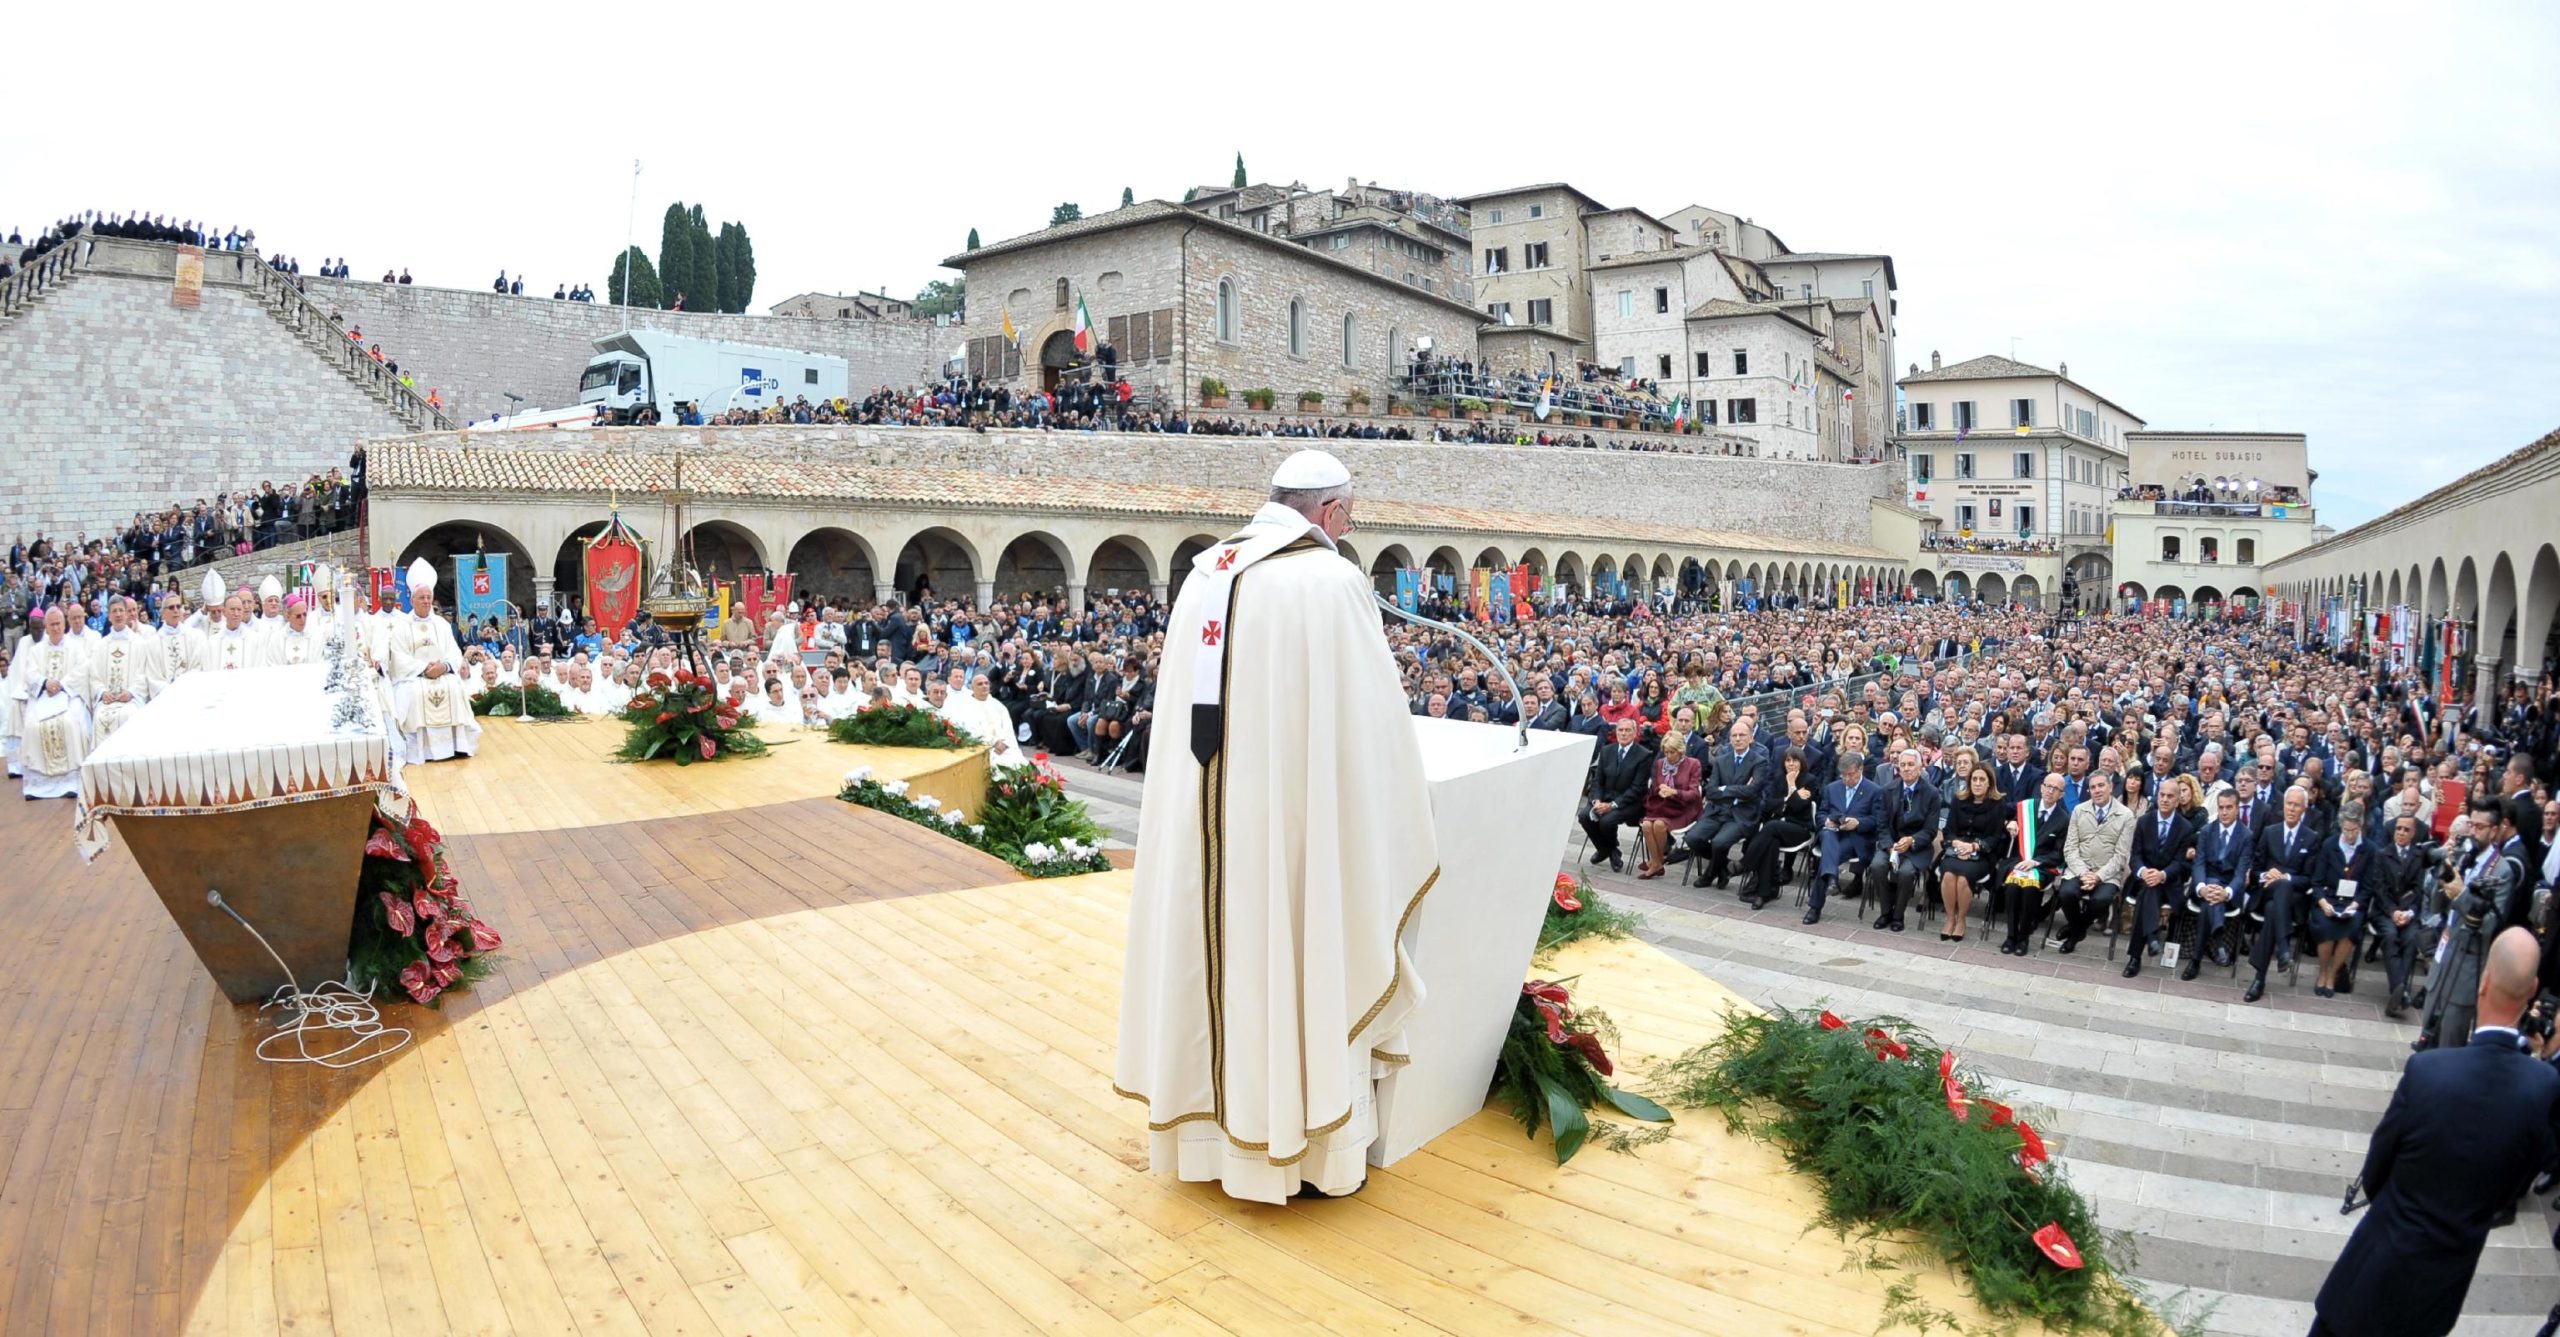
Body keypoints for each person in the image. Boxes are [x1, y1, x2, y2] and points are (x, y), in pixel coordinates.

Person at [1115, 448, 1443, 1204]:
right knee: (1298, 946)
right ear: (1330, 512)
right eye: (1350, 515)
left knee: (1216, 950)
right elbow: (1374, 729)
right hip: (1291, 826)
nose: (1349, 529)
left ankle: (1206, 1142)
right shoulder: (1330, 582)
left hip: (1209, 821)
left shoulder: (1205, 573)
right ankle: (1306, 1153)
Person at [2309, 927, 2559, 1337]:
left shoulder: (2428, 1070)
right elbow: (2512, 1190)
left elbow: (2377, 1170)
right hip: (2441, 1287)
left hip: (2376, 1267)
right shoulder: (2543, 1086)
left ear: (2483, 982)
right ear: (2532, 989)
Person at [383, 559, 480, 765]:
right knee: (415, 694)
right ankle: (422, 751)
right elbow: (399, 658)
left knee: (455, 688)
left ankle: (457, 746)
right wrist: (425, 669)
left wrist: (444, 667)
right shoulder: (401, 626)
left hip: (443, 673)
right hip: (414, 677)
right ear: (412, 599)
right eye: (422, 598)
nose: (426, 601)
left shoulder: (442, 624)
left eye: (429, 597)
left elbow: (453, 652)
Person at [2245, 786, 2322, 1004]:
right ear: (2283, 805)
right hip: (2266, 892)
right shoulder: (2270, 832)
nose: (2291, 808)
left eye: (2297, 805)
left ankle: (2259, 978)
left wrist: (2286, 878)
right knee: (2275, 896)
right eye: (2289, 803)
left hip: (2293, 901)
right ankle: (2283, 948)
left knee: (2278, 900)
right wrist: (2266, 874)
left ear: (2304, 809)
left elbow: (2310, 878)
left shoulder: (2311, 838)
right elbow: (2256, 869)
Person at [9, 607, 92, 799]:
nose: (55, 628)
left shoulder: (75, 648)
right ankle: (38, 786)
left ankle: (71, 783)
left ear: (64, 624)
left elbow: (82, 671)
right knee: (32, 726)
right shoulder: (36, 650)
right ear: (46, 626)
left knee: (71, 723)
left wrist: (61, 684)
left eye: (58, 624)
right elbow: (29, 673)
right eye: (52, 624)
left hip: (68, 696)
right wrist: (45, 683)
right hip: (43, 696)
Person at [2122, 777, 2196, 978]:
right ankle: (2151, 936)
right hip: (2144, 879)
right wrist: (2144, 872)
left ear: (2178, 799)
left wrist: (2162, 874)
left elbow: (2180, 863)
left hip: (2169, 883)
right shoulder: (2145, 821)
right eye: (2162, 795)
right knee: (2148, 888)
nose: (2164, 799)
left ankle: (2135, 956)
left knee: (2150, 890)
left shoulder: (2185, 827)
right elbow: (2135, 855)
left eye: (2170, 796)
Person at [2052, 772, 2133, 954]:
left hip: (2108, 873)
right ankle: (2078, 929)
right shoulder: (2080, 810)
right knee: (2066, 893)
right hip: (2079, 869)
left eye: (2101, 786)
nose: (2097, 790)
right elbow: (2070, 848)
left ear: (2110, 787)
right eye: (2093, 787)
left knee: (2101, 899)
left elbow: (2121, 855)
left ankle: (2075, 931)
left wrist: (2098, 876)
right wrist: (2083, 872)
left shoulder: (2126, 815)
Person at [1681, 717, 1766, 888]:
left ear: (1751, 738)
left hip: (1741, 814)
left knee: (1720, 843)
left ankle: (1710, 873)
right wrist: (1736, 790)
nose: (1738, 739)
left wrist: (1724, 789)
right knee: (1692, 838)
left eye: (1742, 735)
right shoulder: (1721, 760)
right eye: (1734, 735)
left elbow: (1753, 790)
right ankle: (1724, 867)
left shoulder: (1759, 761)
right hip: (1717, 811)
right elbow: (1711, 791)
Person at [2186, 787, 2254, 980]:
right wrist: (2202, 888)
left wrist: (2227, 892)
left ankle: (2195, 961)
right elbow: (2199, 865)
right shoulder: (2207, 831)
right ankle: (2218, 938)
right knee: (2211, 891)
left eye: (2229, 807)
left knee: (2212, 900)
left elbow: (2241, 873)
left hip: (2229, 890)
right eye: (2221, 807)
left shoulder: (2246, 835)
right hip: (2206, 884)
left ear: (2237, 808)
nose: (2224, 812)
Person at [1737, 748, 1817, 909]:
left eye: (1795, 760)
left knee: (1771, 826)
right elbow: (1767, 806)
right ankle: (1764, 893)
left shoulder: (1810, 780)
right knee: (1771, 841)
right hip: (1776, 828)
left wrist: (1792, 785)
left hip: (1799, 829)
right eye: (1788, 760)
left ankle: (1743, 864)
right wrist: (1787, 798)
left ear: (1802, 762)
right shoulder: (1778, 779)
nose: (1791, 764)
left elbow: (1799, 807)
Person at [1873, 747, 1941, 933]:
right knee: (1877, 866)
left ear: (1920, 768)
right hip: (1892, 843)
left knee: (1905, 873)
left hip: (1917, 846)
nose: (1907, 769)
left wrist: (1911, 841)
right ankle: (1886, 912)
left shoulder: (1931, 794)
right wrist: (1889, 847)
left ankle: (1898, 915)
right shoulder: (1888, 790)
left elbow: (1930, 830)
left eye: (1911, 765)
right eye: (1903, 765)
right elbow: (1882, 824)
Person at [1806, 748, 1878, 925]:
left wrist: (1858, 823)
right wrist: (1827, 821)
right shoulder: (1832, 788)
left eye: (1851, 775)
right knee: (1829, 834)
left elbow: (1877, 820)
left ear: (1860, 770)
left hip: (1855, 839)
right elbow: (1821, 813)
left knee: (1827, 859)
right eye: (1843, 775)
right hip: (1832, 833)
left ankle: (1816, 905)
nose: (1847, 779)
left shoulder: (1873, 791)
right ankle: (1831, 878)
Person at [1937, 762, 2005, 945]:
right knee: (1949, 875)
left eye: (1982, 779)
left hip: (1981, 854)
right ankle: (1950, 918)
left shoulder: (1997, 804)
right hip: (1956, 850)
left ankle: (1961, 920)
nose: (1977, 783)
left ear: (1989, 783)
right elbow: (1949, 830)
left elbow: (1996, 837)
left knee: (1963, 878)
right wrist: (1958, 843)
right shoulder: (1959, 800)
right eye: (1974, 779)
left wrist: (1975, 846)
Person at [2310, 810, 2373, 998]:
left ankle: (2333, 972)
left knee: (2351, 928)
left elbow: (2368, 887)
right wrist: (2322, 903)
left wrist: (2355, 905)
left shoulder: (2369, 849)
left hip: (2352, 902)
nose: (2350, 835)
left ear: (2360, 828)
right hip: (2328, 898)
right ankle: (2322, 970)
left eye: (2354, 831)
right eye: (2346, 830)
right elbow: (2316, 881)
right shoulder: (2329, 845)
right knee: (2325, 925)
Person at [1579, 718, 1651, 874]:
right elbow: (1598, 781)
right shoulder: (1607, 751)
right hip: (1605, 798)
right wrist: (1597, 800)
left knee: (1607, 821)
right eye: (1620, 730)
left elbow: (1637, 789)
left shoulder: (1644, 755)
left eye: (1627, 730)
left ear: (1635, 732)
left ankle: (1607, 851)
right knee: (1584, 816)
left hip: (1629, 803)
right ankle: (1610, 850)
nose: (1623, 733)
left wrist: (1612, 805)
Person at [1635, 729, 1701, 880]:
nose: (1669, 756)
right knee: (1646, 824)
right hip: (1662, 805)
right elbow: (1656, 785)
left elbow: (1694, 794)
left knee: (1659, 825)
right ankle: (1657, 862)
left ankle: (1655, 863)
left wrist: (1674, 792)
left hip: (1683, 808)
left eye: (1672, 752)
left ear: (1680, 751)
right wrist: (1661, 790)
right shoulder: (1659, 764)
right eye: (1666, 752)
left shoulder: (1693, 764)